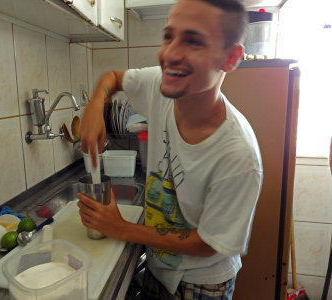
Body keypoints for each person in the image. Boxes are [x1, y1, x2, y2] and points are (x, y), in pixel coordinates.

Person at [77, 0, 263, 299]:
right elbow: (112, 78)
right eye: (168, 36)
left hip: (202, 283)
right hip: (158, 264)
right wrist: (95, 106)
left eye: (193, 41)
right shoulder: (160, 84)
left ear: (230, 58)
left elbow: (209, 244)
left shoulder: (238, 154)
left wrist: (121, 227)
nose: (169, 54)